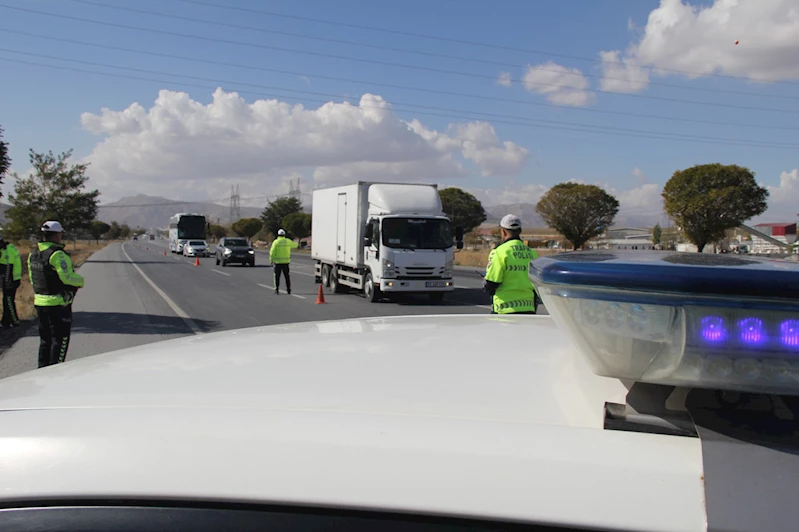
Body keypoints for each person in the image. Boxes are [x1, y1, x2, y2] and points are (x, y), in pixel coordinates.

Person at [29, 221, 84, 368]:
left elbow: (33, 278)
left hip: (40, 303)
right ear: (57, 235)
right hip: (58, 304)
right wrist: (80, 281)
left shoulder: (33, 254)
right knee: (60, 341)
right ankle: (56, 372)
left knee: (45, 340)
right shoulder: (57, 254)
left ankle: (42, 370)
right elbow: (67, 278)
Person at [483, 214, 539, 315]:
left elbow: (492, 282)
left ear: (503, 232)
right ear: (520, 231)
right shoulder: (532, 253)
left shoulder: (499, 252)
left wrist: (485, 284)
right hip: (528, 307)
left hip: (504, 309)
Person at [0, 229, 21, 328]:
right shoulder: (7, 248)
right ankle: (5, 321)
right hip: (11, 279)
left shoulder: (7, 251)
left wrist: (7, 282)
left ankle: (14, 321)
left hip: (11, 279)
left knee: (8, 300)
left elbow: (9, 267)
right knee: (6, 300)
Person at [269, 228, 298, 295]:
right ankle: (288, 289)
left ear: (278, 235)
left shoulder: (276, 242)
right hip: (286, 262)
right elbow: (295, 245)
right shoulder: (288, 241)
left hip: (277, 262)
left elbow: (272, 252)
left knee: (277, 277)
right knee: (287, 277)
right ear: (284, 235)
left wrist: (271, 259)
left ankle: (276, 289)